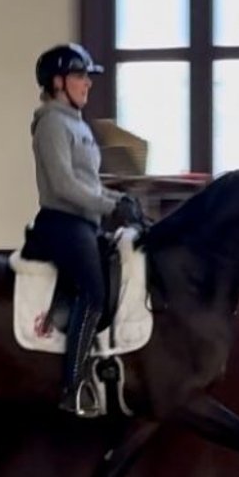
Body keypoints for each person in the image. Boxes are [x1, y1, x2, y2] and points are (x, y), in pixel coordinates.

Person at [27, 43, 142, 418]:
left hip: (84, 222)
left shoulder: (78, 124)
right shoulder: (51, 123)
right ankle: (72, 386)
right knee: (93, 291)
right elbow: (63, 185)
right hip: (62, 223)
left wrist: (120, 199)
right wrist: (111, 205)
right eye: (80, 77)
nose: (87, 85)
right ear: (58, 82)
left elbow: (88, 183)